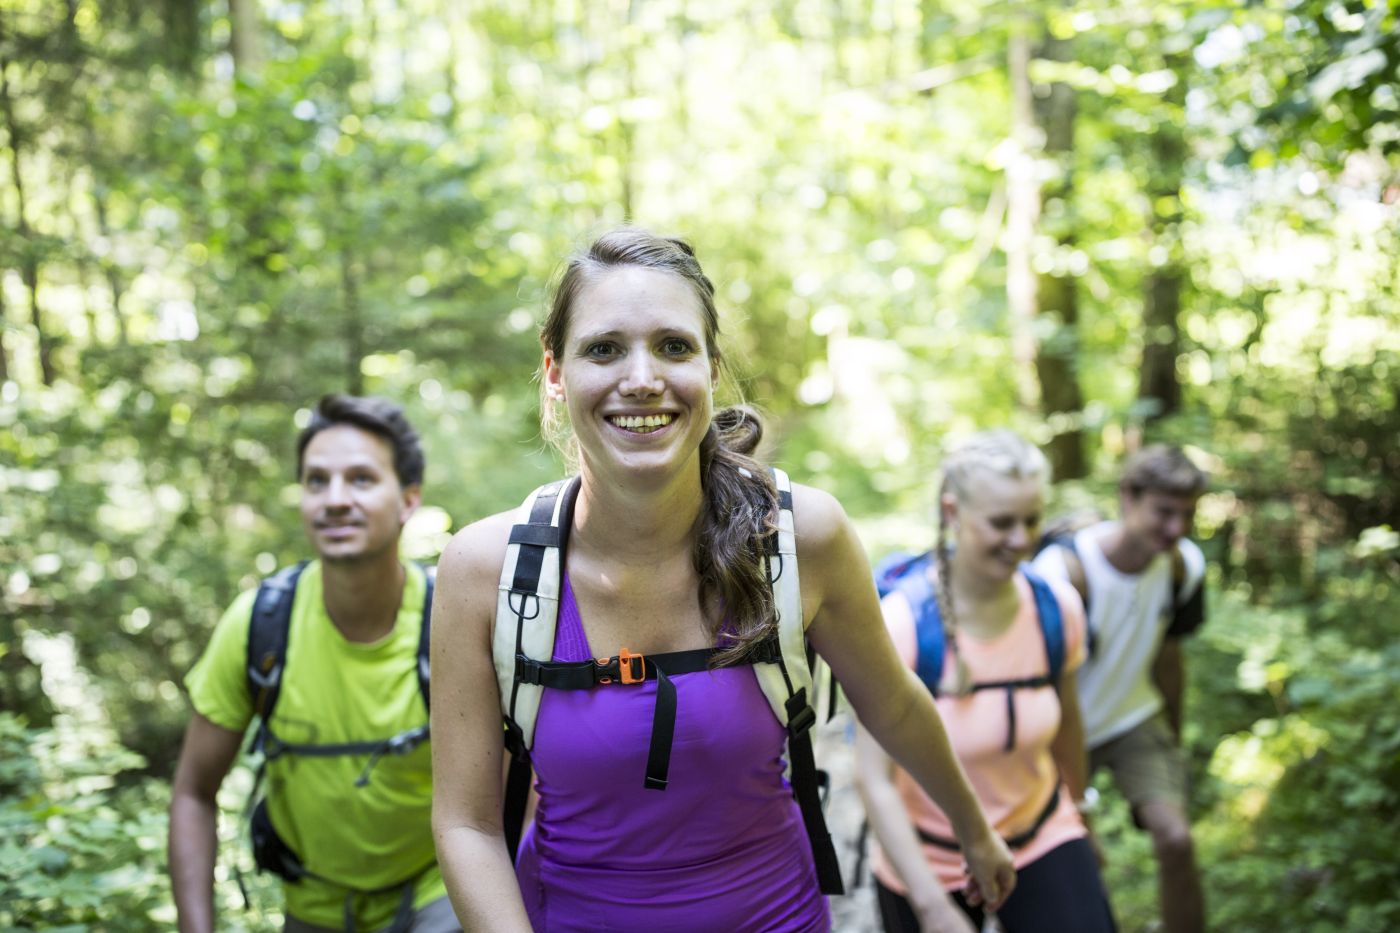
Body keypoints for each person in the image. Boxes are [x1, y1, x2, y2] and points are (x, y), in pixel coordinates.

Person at [429, 227, 1016, 932]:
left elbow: (892, 704)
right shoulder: (486, 572)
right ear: (555, 372)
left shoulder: (800, 541)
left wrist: (974, 830)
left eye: (673, 346)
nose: (641, 378)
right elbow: (466, 822)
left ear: (711, 369)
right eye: (604, 348)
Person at [169, 395, 460, 933]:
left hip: (440, 892)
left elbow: (517, 795)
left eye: (361, 479)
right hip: (312, 907)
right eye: (317, 481)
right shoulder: (259, 626)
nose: (336, 500)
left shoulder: (452, 622)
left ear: (408, 500)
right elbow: (192, 793)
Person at [856, 430, 1116, 933]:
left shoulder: (1056, 608)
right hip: (929, 860)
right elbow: (873, 779)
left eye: (1031, 520)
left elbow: (1068, 728)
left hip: (1042, 834)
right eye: (1001, 523)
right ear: (952, 512)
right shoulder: (903, 624)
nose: (1020, 540)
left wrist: (1083, 819)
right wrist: (931, 907)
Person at [1031, 444, 1208, 933]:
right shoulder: (1061, 571)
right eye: (1164, 512)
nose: (1176, 528)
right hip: (1061, 729)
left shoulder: (1184, 566)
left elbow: (1169, 656)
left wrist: (1173, 738)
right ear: (1128, 497)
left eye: (1187, 515)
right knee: (1073, 862)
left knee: (1177, 840)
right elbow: (1035, 682)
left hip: (1135, 717)